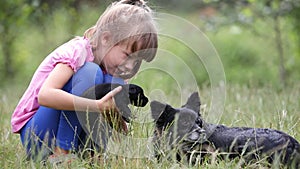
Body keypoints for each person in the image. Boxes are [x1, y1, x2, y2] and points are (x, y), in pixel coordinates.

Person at [11, 0, 157, 162]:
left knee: (113, 84)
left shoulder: (114, 73)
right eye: (127, 55)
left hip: (75, 139)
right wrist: (97, 106)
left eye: (137, 60)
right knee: (90, 72)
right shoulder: (77, 52)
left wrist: (115, 118)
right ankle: (63, 152)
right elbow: (45, 96)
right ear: (106, 39)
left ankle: (91, 154)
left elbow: (119, 132)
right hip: (39, 134)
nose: (130, 66)